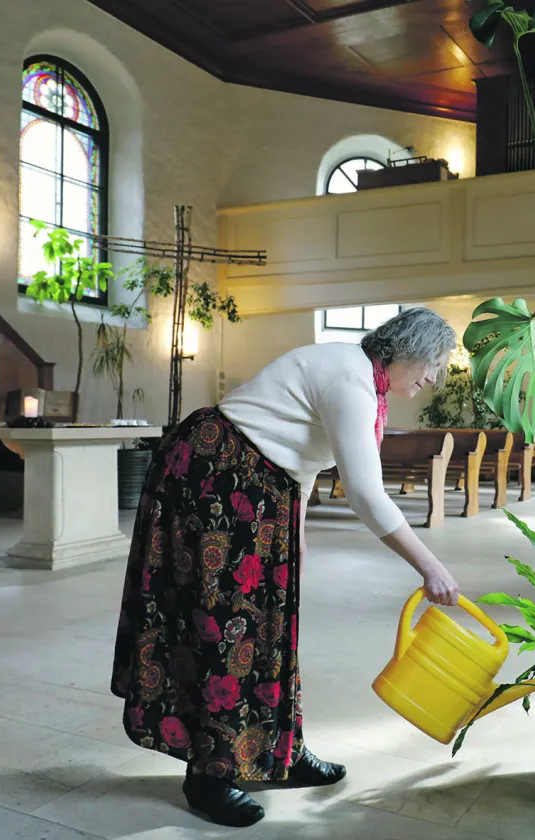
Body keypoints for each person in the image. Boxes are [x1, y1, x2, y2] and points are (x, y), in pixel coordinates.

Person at [110, 307, 462, 828]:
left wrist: (292, 539)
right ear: (404, 350)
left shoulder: (360, 378)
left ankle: (278, 751)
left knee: (270, 628)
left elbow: (302, 457)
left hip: (251, 484)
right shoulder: (352, 378)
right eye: (432, 363)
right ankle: (210, 775)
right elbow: (366, 494)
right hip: (218, 479)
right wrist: (430, 566)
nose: (432, 377)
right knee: (224, 628)